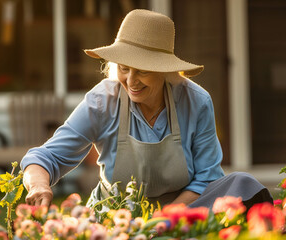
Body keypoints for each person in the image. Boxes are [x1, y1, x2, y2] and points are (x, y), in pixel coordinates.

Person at [20, 9, 272, 208]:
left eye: (142, 70)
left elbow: (207, 178)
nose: (130, 81)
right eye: (124, 68)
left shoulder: (196, 102)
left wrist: (167, 221)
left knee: (243, 184)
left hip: (183, 211)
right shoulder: (101, 102)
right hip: (118, 218)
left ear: (165, 70)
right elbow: (44, 157)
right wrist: (38, 185)